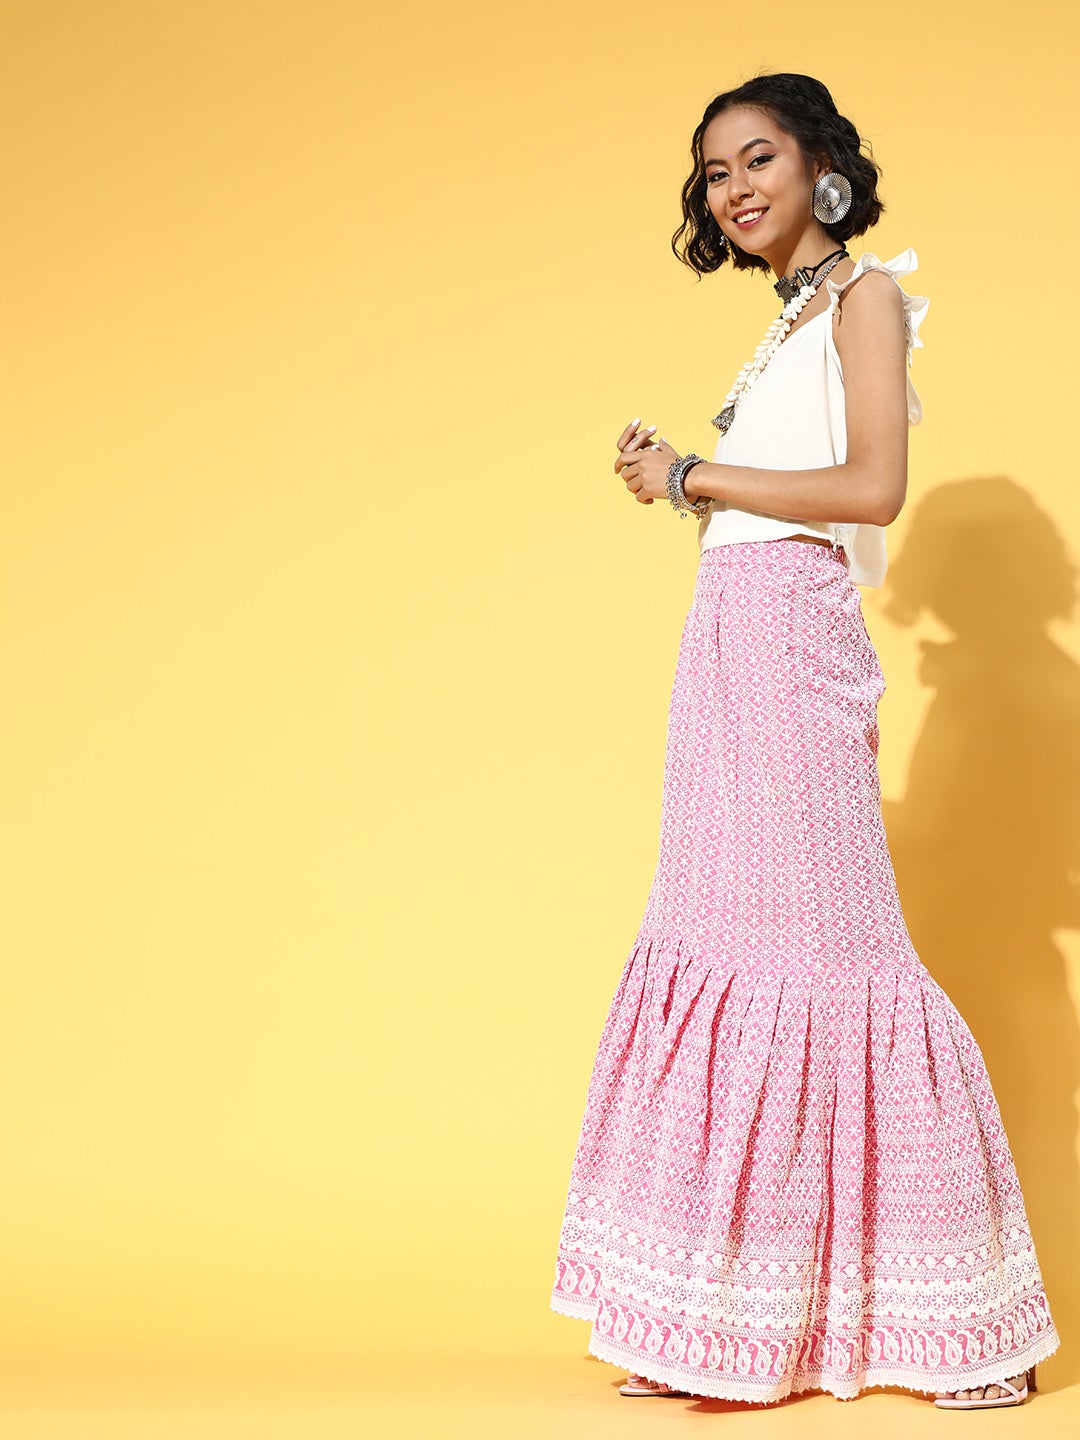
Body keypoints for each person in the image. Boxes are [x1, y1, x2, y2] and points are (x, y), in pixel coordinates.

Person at [549, 72, 1060, 1410]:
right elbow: (778, 496)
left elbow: (873, 488)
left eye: (758, 158)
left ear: (822, 162)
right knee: (726, 937)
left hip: (791, 644)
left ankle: (964, 1332)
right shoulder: (784, 324)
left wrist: (693, 476)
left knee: (835, 961)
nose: (733, 188)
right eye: (714, 172)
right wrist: (690, 486)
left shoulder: (866, 297)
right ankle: (723, 1328)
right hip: (729, 644)